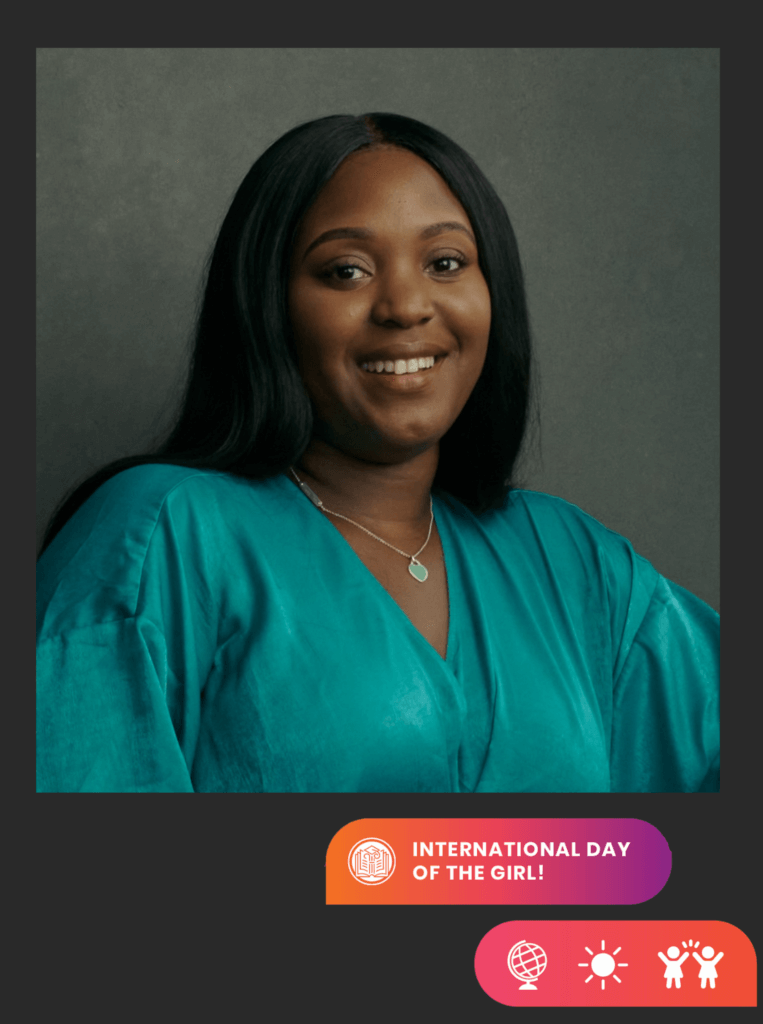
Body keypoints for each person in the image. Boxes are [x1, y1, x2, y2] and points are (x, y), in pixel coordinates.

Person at [36, 113, 720, 793]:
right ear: (267, 304)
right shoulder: (163, 535)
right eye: (345, 271)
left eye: (446, 263)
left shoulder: (570, 562)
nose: (404, 306)